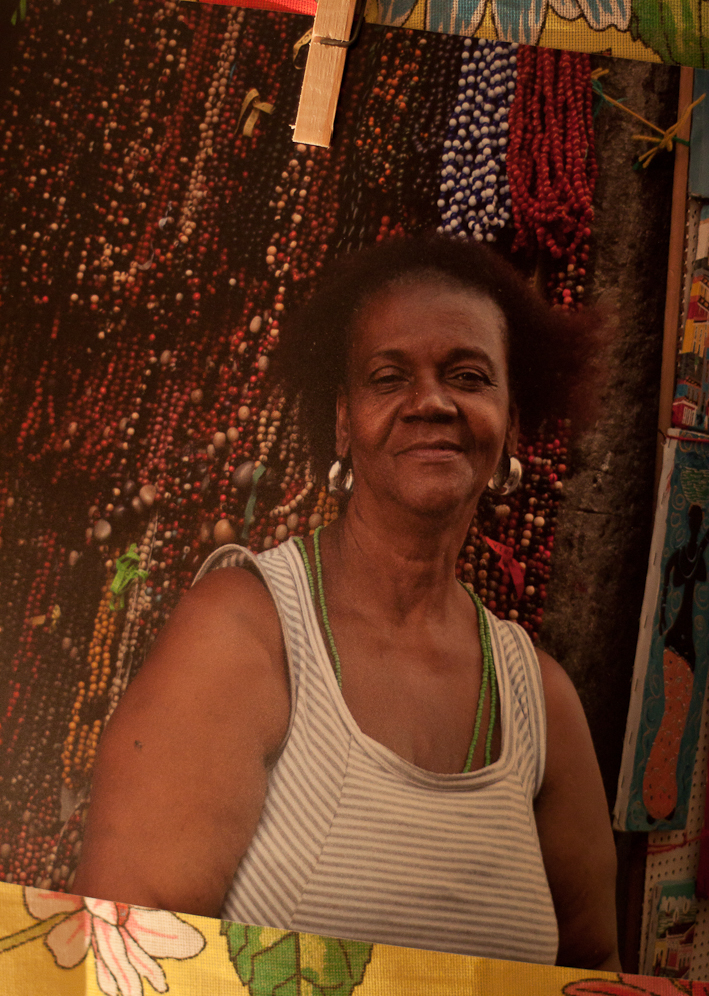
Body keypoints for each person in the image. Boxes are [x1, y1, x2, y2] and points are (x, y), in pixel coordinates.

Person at [73, 235, 620, 970]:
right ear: (342, 421)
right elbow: (124, 961)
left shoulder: (540, 703)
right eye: (389, 377)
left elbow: (593, 973)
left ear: (510, 422)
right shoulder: (244, 634)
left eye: (467, 376)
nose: (432, 402)